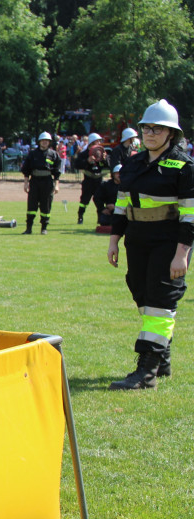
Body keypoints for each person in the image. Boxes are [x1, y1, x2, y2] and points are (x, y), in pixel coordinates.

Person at [107, 100, 193, 389]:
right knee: (142, 294)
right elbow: (121, 204)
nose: (150, 133)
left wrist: (182, 254)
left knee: (160, 302)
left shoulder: (184, 166)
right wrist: (114, 240)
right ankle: (163, 357)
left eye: (158, 128)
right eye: (146, 127)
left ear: (171, 134)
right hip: (138, 240)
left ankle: (146, 372)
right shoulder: (132, 163)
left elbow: (190, 214)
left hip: (169, 243)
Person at [21, 131, 60, 235]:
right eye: (43, 141)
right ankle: (28, 228)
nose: (44, 142)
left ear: (49, 142)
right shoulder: (33, 154)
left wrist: (56, 185)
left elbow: (57, 172)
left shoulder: (53, 154)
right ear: (39, 142)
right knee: (31, 206)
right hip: (34, 181)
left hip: (47, 181)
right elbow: (26, 170)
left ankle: (44, 228)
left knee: (46, 205)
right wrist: (26, 183)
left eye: (46, 141)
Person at [76, 132, 110, 225]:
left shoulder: (102, 153)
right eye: (97, 141)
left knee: (99, 200)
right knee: (84, 200)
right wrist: (87, 161)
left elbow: (110, 165)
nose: (99, 143)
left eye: (99, 141)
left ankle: (100, 218)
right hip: (88, 180)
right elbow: (77, 164)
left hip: (99, 181)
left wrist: (105, 159)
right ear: (91, 143)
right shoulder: (84, 154)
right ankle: (80, 216)